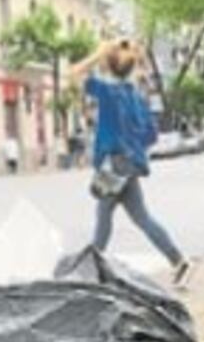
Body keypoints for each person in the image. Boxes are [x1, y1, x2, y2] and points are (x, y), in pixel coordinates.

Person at [69, 38, 194, 287]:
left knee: (104, 216)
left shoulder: (107, 92)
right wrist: (131, 146)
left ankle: (93, 275)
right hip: (130, 165)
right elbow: (151, 134)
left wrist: (97, 52)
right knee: (141, 218)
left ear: (108, 66)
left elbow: (73, 73)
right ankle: (178, 260)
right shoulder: (136, 96)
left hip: (113, 163)